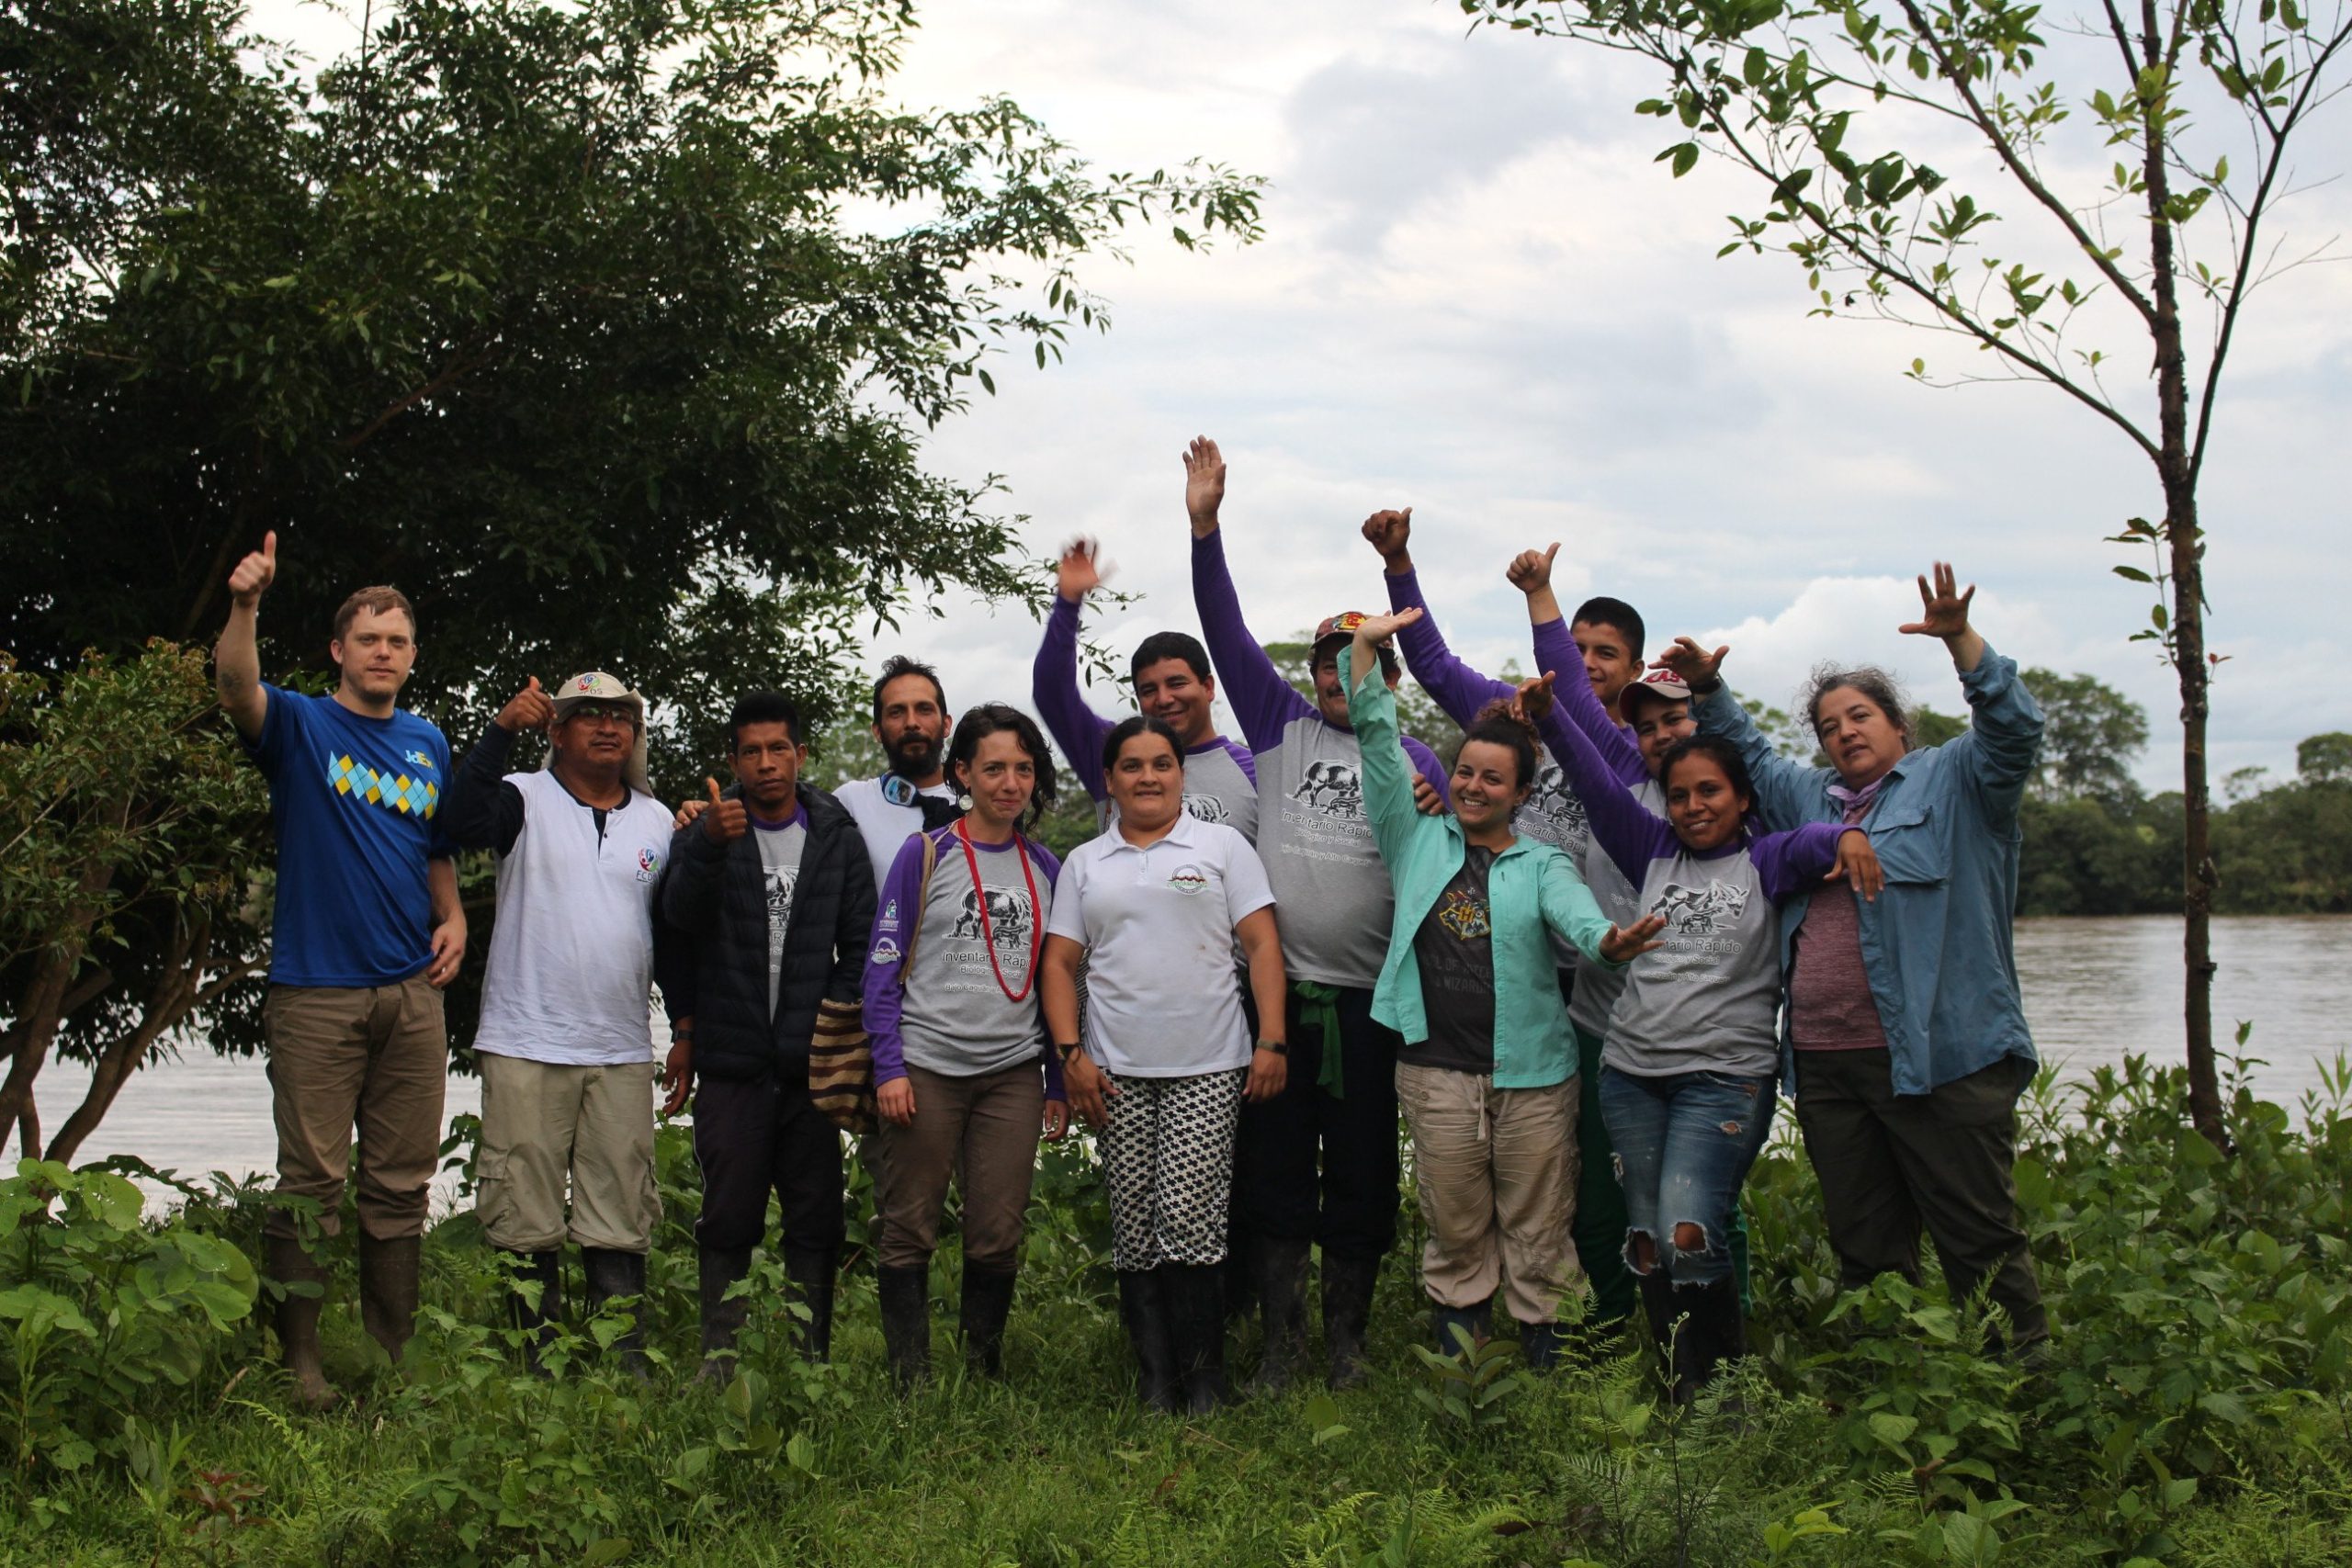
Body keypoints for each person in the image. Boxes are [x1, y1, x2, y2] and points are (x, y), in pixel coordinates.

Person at [1657, 563, 2051, 1358]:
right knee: (1867, 1248)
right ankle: (1893, 1391)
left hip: (1943, 1059)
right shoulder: (1811, 800)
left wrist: (1963, 645)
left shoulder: (1958, 781)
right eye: (1831, 724)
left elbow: (2015, 731)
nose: (1845, 731)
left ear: (1899, 726)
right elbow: (1752, 760)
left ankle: (2024, 1395)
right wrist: (1708, 688)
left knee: (1979, 1238)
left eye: (1860, 714)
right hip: (1830, 1066)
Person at [1520, 639, 1880, 1400]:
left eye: (1711, 791)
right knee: (1648, 1241)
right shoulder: (1648, 848)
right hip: (1632, 1075)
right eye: (1681, 795)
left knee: (1690, 1226)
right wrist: (1552, 720)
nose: (1694, 807)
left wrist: (1845, 835)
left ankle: (1720, 1383)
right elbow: (1593, 780)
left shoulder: (1767, 858)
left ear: (1742, 797)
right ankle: (1683, 1378)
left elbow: (1814, 838)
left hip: (1723, 1079)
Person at [1364, 512, 1684, 1332]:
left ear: (1635, 669)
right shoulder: (1506, 720)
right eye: (1572, 648)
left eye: (1603, 653)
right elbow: (1427, 666)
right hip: (1474, 989)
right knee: (1474, 1188)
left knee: (1577, 1182)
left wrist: (1609, 941)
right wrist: (1400, 565)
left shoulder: (1628, 751)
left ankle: (1607, 1333)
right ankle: (1485, 1338)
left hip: (1591, 985)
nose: (1581, 666)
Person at [1185, 436, 1451, 1390]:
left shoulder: (1419, 763)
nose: (1340, 686)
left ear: (1389, 682)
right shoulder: (1278, 729)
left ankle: (1347, 1345)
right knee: (1275, 1177)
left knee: (1367, 1180)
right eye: (1329, 672)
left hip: (1375, 1008)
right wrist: (1205, 526)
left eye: (1361, 672)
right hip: (1279, 1007)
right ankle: (1282, 1347)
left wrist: (1440, 804)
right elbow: (1225, 630)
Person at [212, 531, 466, 1408]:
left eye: (397, 641)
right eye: (369, 638)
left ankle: (393, 1355)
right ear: (338, 650)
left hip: (412, 992)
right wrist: (246, 605)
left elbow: (432, 847)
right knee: (312, 1184)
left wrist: (457, 912)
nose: (384, 652)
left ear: (411, 655)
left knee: (400, 1183)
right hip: (317, 990)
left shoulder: (429, 741)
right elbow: (235, 687)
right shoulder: (301, 725)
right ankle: (303, 1363)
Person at [1040, 717, 1289, 1413]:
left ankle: (1206, 1380)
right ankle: (1155, 1381)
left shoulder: (1222, 847)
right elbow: (1060, 964)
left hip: (1209, 1062)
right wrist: (1070, 1058)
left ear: (1181, 772)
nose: (1147, 777)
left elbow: (1263, 947)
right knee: (1135, 1223)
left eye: (1160, 764)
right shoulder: (1088, 862)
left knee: (1188, 1215)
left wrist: (1272, 1040)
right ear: (1111, 779)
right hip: (1114, 1070)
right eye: (1130, 766)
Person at [442, 671, 677, 1374]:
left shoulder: (658, 821)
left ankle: (621, 1361)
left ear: (634, 733)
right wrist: (499, 728)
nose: (606, 726)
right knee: (523, 1209)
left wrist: (686, 1028)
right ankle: (534, 1365)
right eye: (586, 715)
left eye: (619, 716)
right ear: (556, 730)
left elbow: (678, 932)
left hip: (622, 1046)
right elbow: (453, 822)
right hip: (525, 1037)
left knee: (622, 1207)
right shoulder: (521, 796)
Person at [658, 692, 876, 1372]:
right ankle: (719, 1362)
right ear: (733, 760)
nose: (766, 762)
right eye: (750, 751)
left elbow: (861, 943)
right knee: (728, 1217)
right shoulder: (709, 831)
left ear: (800, 754)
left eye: (778, 748)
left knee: (816, 1220)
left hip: (809, 1068)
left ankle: (811, 1362)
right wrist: (708, 846)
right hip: (732, 1064)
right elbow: (676, 920)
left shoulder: (835, 832)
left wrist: (825, 1026)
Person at [862, 705, 1071, 1386]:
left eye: (1022, 768)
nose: (1009, 782)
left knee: (997, 1228)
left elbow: (1058, 984)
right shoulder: (926, 853)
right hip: (926, 1068)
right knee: (909, 1224)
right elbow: (881, 968)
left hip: (1011, 1074)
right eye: (993, 768)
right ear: (962, 773)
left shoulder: (1047, 868)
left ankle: (981, 1369)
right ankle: (908, 1376)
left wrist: (1059, 1081)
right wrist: (888, 1066)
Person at [1033, 536, 1260, 836]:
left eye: (1176, 683)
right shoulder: (1113, 754)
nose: (1164, 699)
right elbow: (1052, 694)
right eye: (1149, 691)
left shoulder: (1257, 771)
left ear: (1208, 687)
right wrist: (1067, 603)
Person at [834, 656, 963, 888]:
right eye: (896, 712)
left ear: (946, 724)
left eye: (924, 709)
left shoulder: (980, 800)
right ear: (877, 731)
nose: (912, 722)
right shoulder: (852, 802)